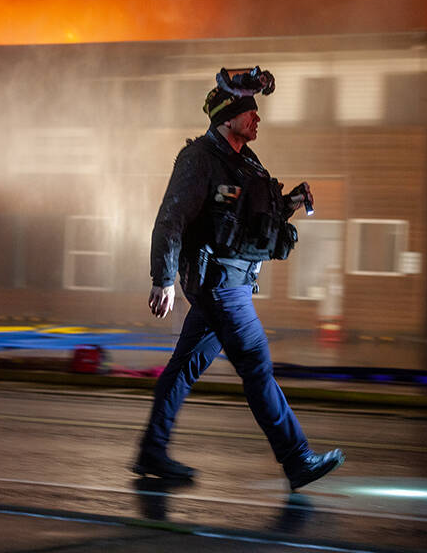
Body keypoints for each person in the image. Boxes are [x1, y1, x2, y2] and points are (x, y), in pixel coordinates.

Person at [133, 67, 345, 491]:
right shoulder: (199, 160)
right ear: (228, 116)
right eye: (249, 110)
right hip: (220, 286)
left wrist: (291, 203)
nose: (257, 118)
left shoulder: (247, 164)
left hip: (232, 284)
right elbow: (170, 218)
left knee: (181, 370)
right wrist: (164, 278)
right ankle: (297, 459)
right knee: (257, 366)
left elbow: (252, 226)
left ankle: (152, 452)